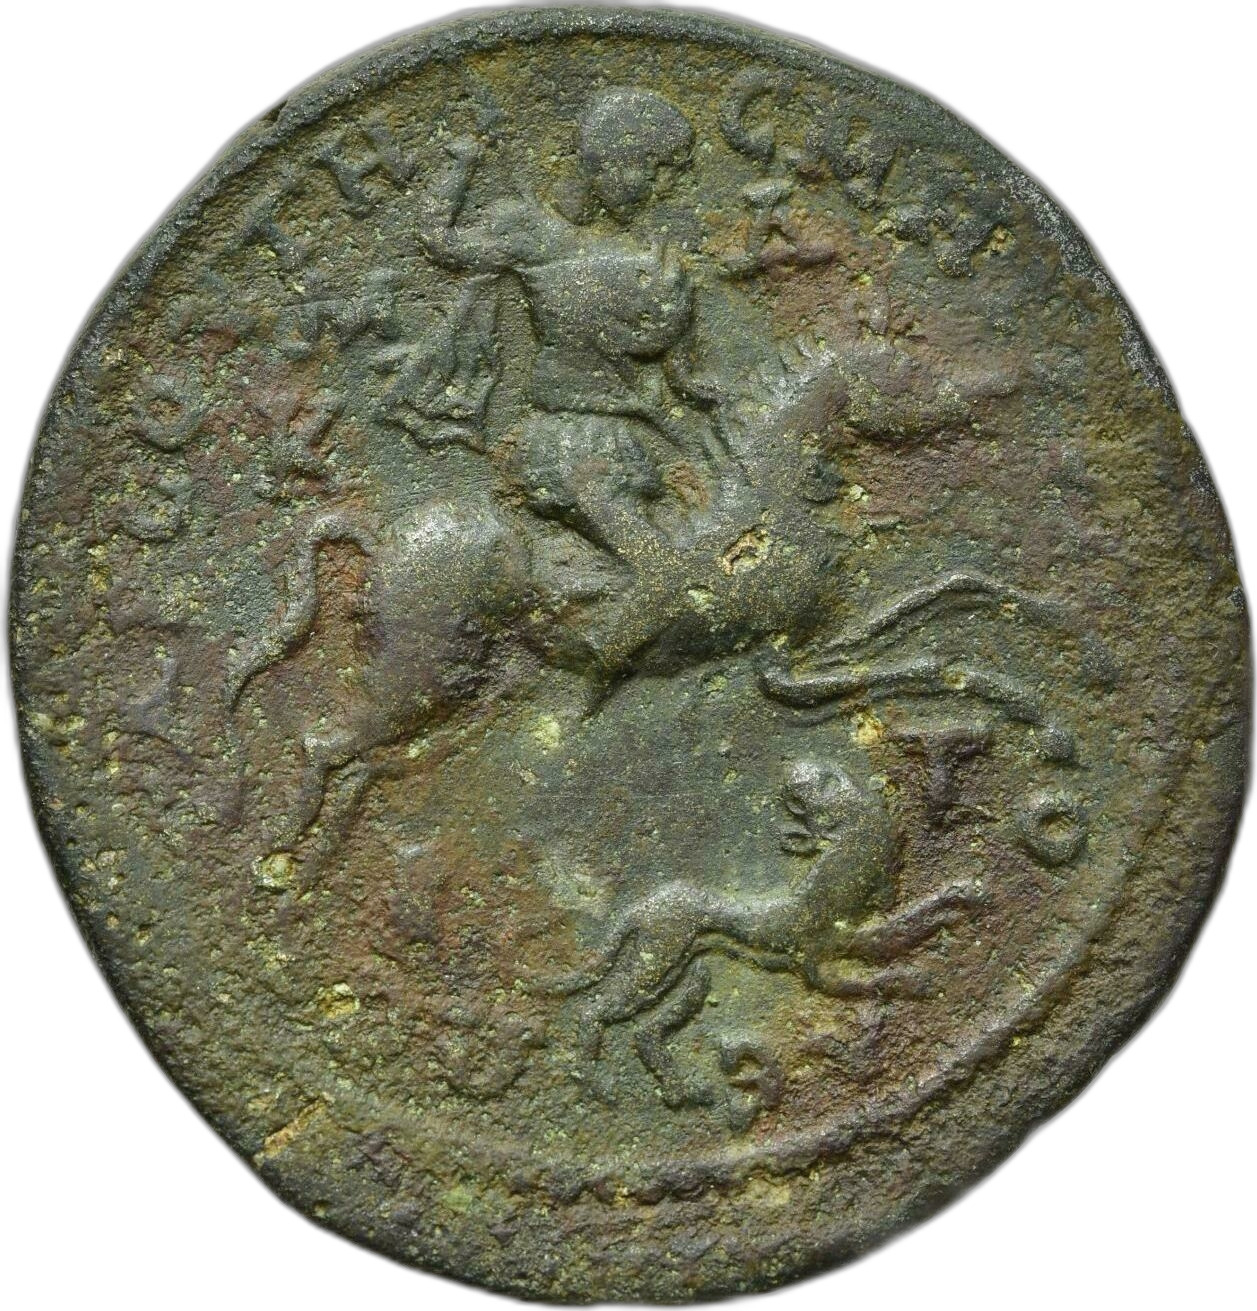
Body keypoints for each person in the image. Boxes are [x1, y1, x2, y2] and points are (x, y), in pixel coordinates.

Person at [414, 87, 723, 559]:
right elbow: (440, 242)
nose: (658, 188)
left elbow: (676, 371)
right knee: (662, 566)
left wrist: (684, 345)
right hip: (573, 443)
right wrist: (461, 164)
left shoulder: (649, 255)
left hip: (637, 428)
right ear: (611, 161)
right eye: (653, 169)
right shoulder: (531, 230)